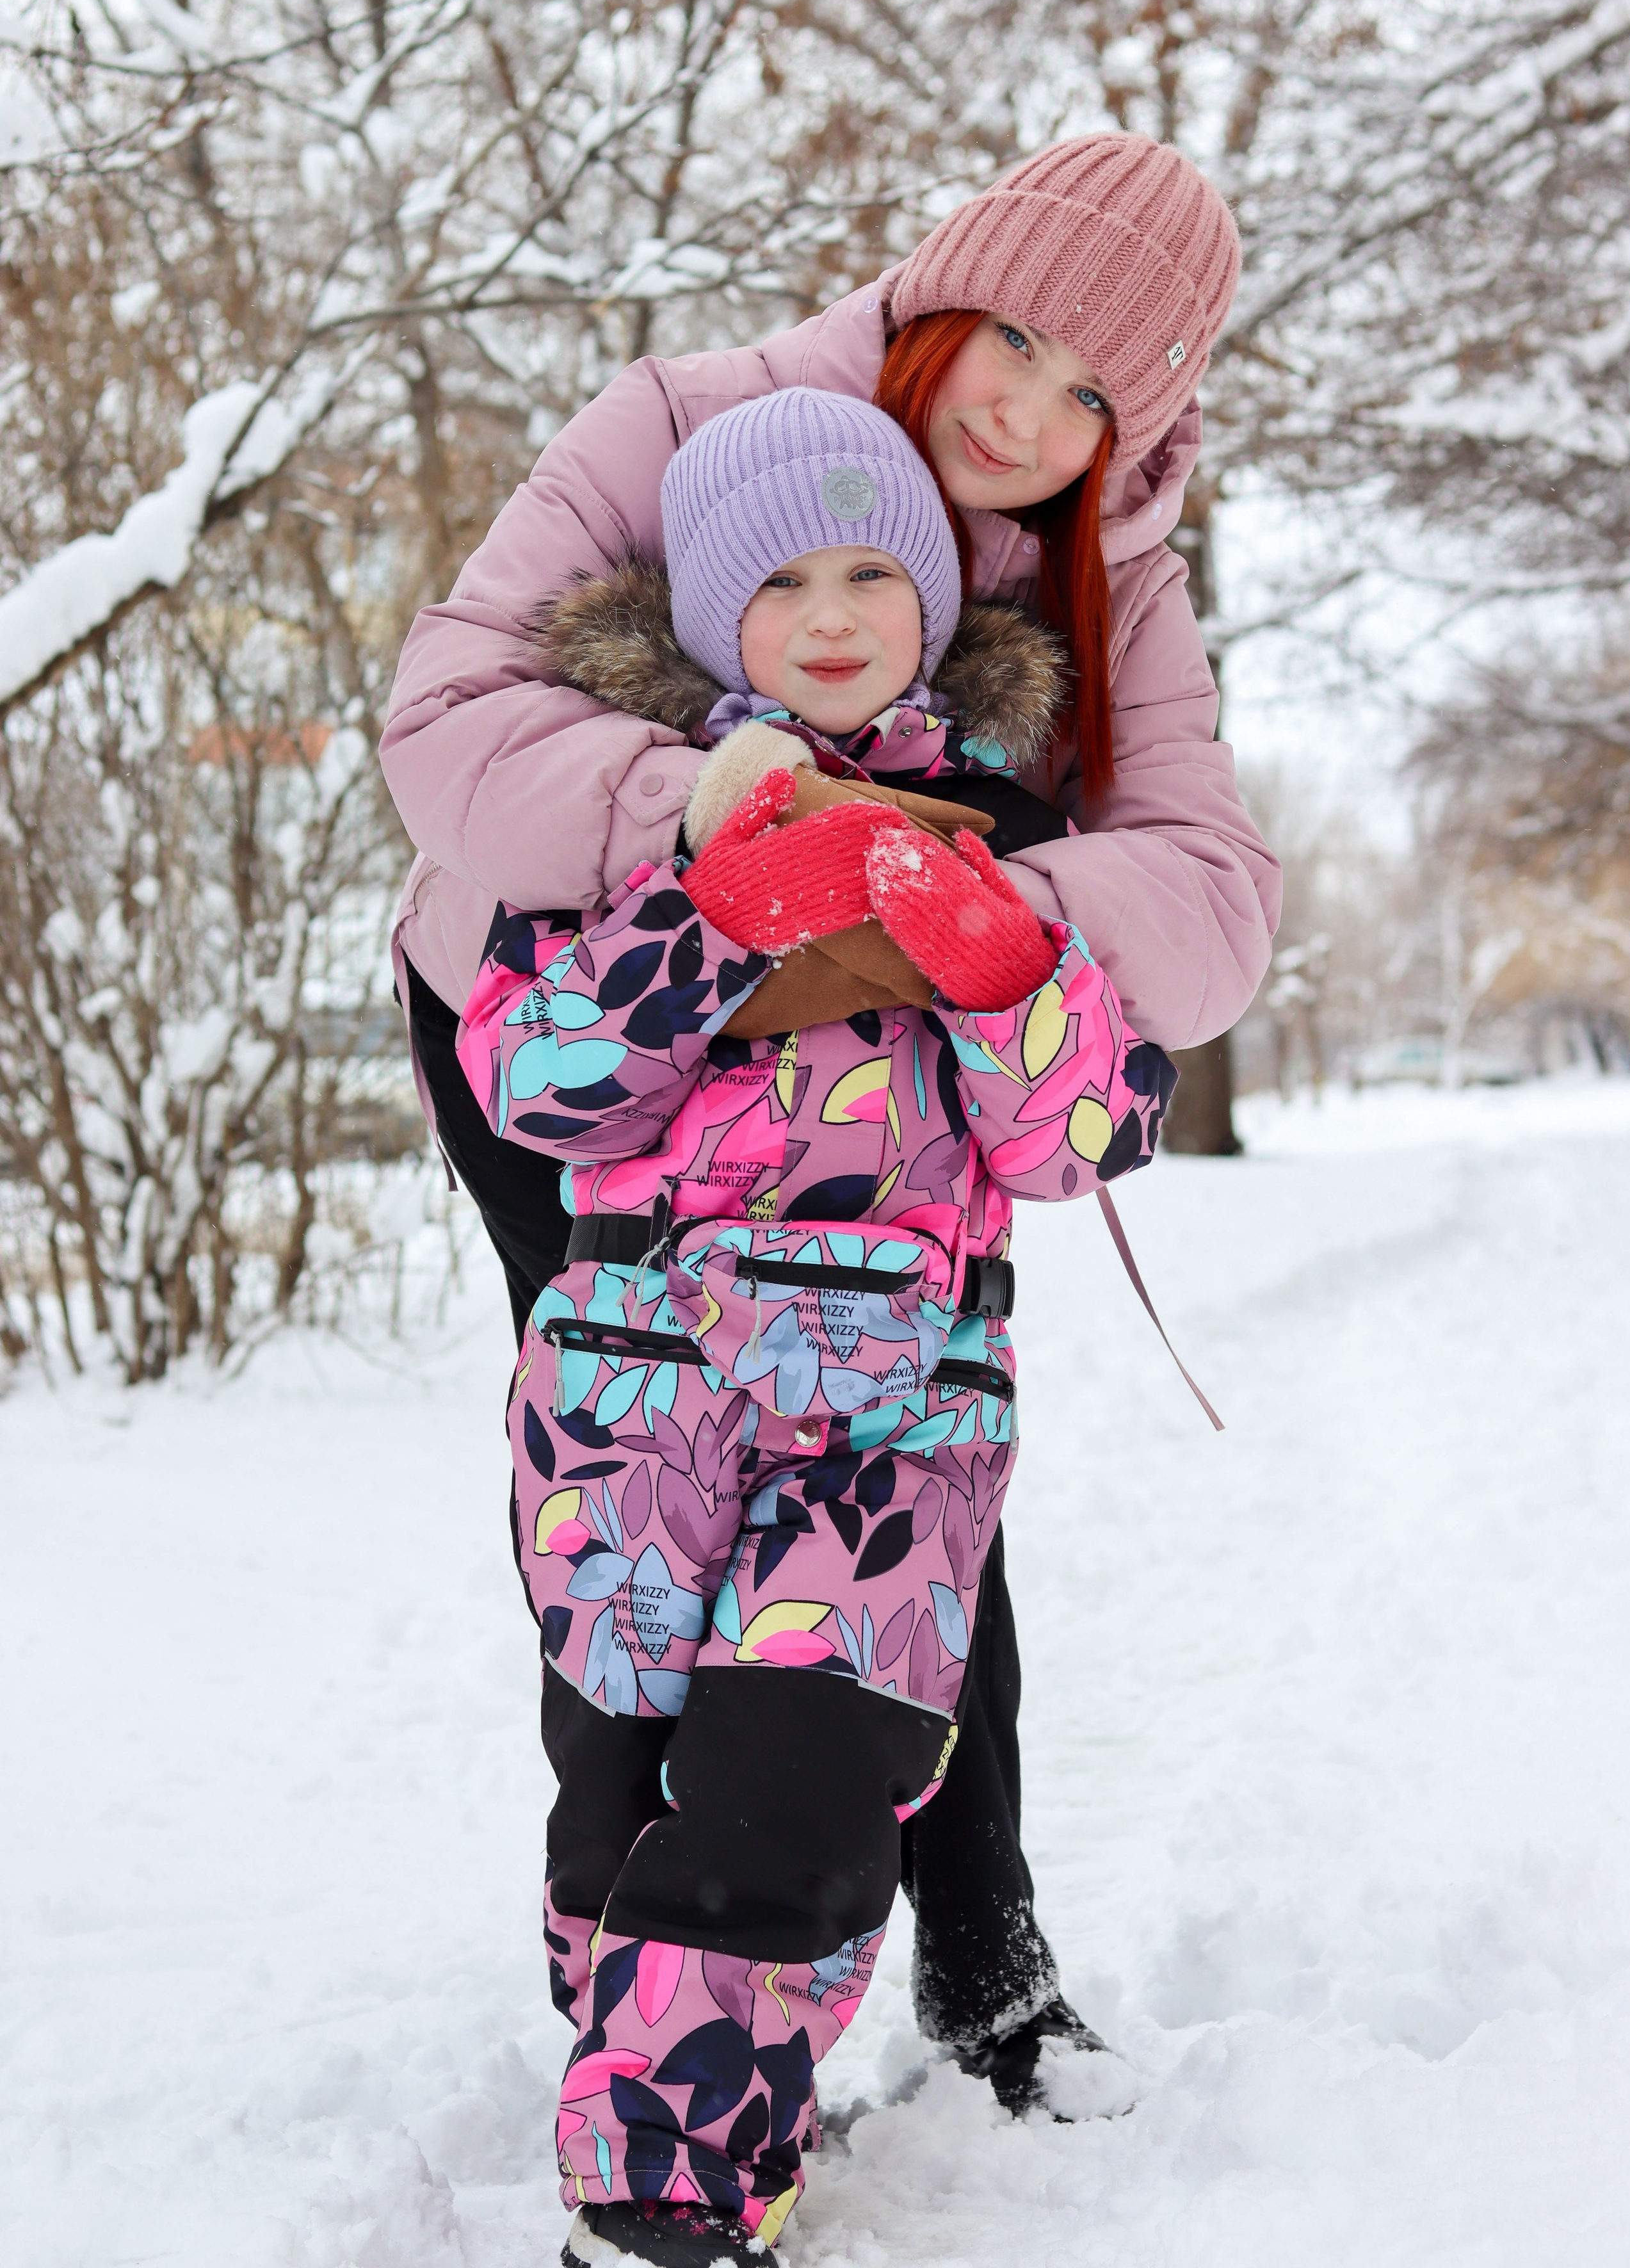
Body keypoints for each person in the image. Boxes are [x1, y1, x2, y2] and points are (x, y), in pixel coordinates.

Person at [381, 132, 1281, 2111]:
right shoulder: (686, 423)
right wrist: (689, 816)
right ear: (949, 281)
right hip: (576, 1039)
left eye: (1098, 395)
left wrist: (975, 911)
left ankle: (980, 1970)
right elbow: (443, 727)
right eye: (1018, 341)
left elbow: (1212, 913)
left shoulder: (1107, 576)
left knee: (901, 1458)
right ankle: (628, 1920)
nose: (1030, 414)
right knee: (647, 1462)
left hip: (899, 1076)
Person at [455, 388, 1176, 2267]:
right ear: (710, 615)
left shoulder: (998, 837)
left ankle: (662, 2196)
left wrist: (1010, 965)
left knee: (811, 1772)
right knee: (619, 1807)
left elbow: (1089, 1132)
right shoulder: (612, 830)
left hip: (892, 1422)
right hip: (634, 1393)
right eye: (782, 581)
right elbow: (531, 1082)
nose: (836, 612)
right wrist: (708, 920)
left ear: (933, 607)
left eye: (876, 572)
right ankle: (673, 2046)